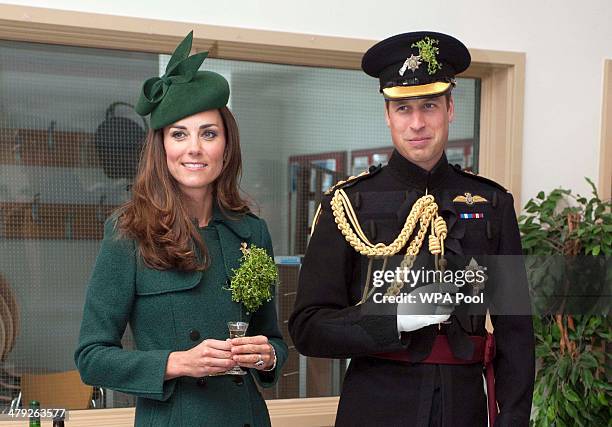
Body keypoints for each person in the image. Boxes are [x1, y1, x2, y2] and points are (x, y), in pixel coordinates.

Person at [289, 31, 534, 427]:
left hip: (463, 408)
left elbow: (516, 329)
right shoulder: (349, 204)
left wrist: (514, 417)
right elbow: (308, 329)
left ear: (450, 108)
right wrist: (393, 316)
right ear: (387, 115)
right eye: (403, 108)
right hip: (375, 407)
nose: (417, 123)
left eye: (430, 105)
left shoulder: (491, 204)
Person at [75, 31, 287, 427]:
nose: (194, 148)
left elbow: (271, 337)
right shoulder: (128, 233)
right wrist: (178, 362)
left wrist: (268, 355)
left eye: (208, 133)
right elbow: (91, 358)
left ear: (226, 146)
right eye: (179, 134)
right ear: (162, 147)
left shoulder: (251, 232)